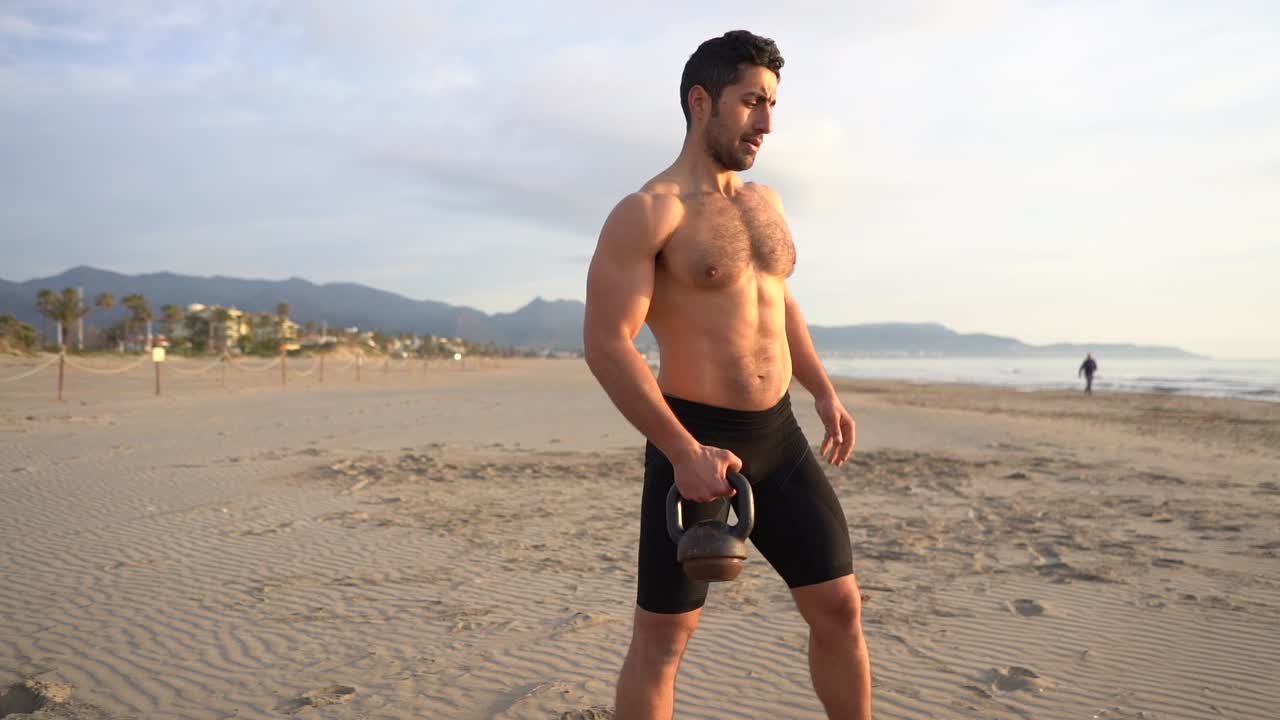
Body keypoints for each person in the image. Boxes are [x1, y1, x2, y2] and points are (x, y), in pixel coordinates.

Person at [583, 30, 871, 720]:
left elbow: (779, 303)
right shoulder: (651, 212)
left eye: (772, 104)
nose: (766, 123)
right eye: (750, 102)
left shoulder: (766, 203)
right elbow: (606, 344)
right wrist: (684, 453)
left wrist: (822, 389)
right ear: (701, 101)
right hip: (696, 441)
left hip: (779, 436)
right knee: (664, 639)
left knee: (839, 607)